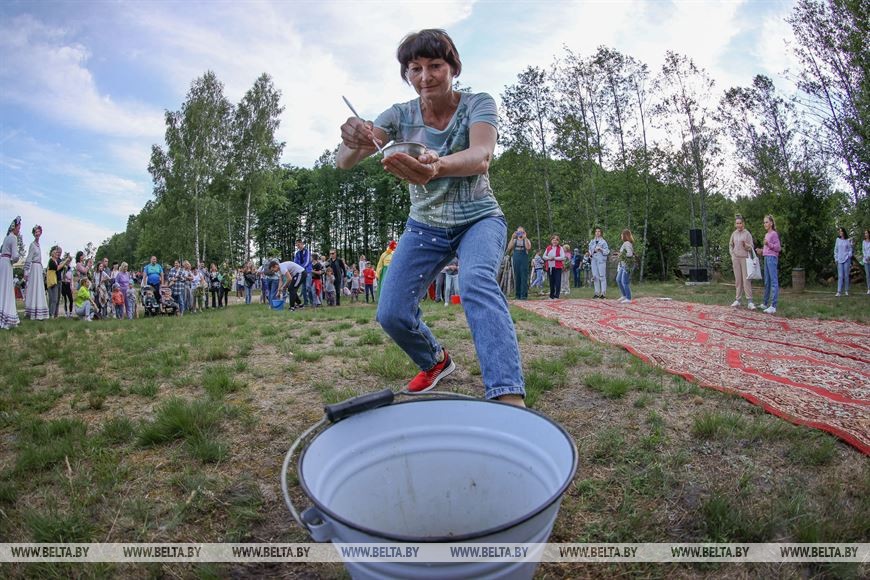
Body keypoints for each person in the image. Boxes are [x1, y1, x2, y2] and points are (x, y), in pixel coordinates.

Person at [336, 28, 525, 406]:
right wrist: (353, 140)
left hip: (479, 218)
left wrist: (436, 167)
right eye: (415, 68)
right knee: (390, 312)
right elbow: (343, 162)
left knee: (475, 283)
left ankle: (508, 395)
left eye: (435, 66)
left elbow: (481, 156)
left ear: (453, 67)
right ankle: (435, 360)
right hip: (425, 225)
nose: (425, 77)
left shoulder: (477, 104)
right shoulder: (399, 115)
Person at [729, 215, 756, 310]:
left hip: (745, 258)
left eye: (740, 223)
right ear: (735, 224)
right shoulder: (734, 234)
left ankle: (750, 301)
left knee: (746, 280)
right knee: (738, 280)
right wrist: (732, 255)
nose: (739, 225)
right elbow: (730, 245)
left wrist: (746, 245)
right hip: (736, 258)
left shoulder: (747, 234)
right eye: (737, 223)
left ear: (743, 223)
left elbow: (751, 246)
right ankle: (738, 300)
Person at [756, 215, 781, 314]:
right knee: (767, 282)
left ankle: (773, 306)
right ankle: (765, 303)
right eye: (764, 222)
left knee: (773, 281)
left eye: (766, 222)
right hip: (766, 257)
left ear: (771, 223)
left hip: (772, 259)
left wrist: (768, 244)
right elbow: (768, 249)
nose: (765, 224)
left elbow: (778, 248)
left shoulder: (774, 234)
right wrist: (761, 251)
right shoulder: (767, 234)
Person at [23, 225, 49, 320]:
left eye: (38, 231)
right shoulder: (32, 245)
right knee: (34, 288)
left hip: (38, 267)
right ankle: (32, 311)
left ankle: (39, 310)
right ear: (34, 234)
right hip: (34, 267)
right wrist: (26, 271)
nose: (37, 233)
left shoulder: (39, 245)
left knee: (39, 288)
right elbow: (29, 258)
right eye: (35, 232)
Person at [1, 217, 22, 330]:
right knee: (8, 290)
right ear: (15, 227)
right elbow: (14, 256)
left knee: (2, 289)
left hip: (2, 262)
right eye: (19, 227)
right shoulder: (13, 238)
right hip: (8, 263)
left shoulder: (6, 237)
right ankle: (8, 317)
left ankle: (2, 314)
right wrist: (17, 257)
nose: (19, 230)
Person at [507, 226, 531, 300]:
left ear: (524, 232)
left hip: (524, 259)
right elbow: (509, 248)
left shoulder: (527, 240)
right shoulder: (514, 240)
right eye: (518, 232)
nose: (520, 233)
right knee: (517, 276)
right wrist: (512, 238)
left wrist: (525, 238)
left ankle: (523, 295)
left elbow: (528, 248)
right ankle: (517, 295)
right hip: (516, 259)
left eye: (522, 232)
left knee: (524, 277)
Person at [46, 245, 70, 319]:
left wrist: (66, 263)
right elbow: (58, 268)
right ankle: (51, 314)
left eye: (59, 253)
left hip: (58, 281)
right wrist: (65, 261)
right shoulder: (52, 261)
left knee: (57, 299)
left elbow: (64, 267)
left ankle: (55, 315)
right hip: (53, 281)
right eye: (57, 253)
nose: (58, 254)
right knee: (53, 299)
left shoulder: (58, 261)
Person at [543, 235, 567, 299]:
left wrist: (555, 258)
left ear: (558, 241)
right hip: (550, 267)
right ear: (551, 241)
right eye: (553, 240)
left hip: (557, 267)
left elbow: (563, 257)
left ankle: (557, 295)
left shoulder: (560, 248)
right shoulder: (548, 248)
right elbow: (544, 256)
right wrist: (549, 258)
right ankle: (551, 295)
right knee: (551, 281)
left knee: (557, 281)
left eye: (556, 240)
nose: (555, 241)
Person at [588, 227, 609, 299]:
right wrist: (590, 254)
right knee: (595, 276)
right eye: (596, 231)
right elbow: (590, 250)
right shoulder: (592, 241)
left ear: (601, 233)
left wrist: (600, 249)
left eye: (599, 231)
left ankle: (603, 293)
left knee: (602, 276)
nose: (597, 233)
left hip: (601, 261)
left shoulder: (603, 242)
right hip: (594, 260)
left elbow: (607, 251)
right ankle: (596, 293)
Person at [616, 229, 635, 303]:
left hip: (627, 265)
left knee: (625, 281)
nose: (621, 236)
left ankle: (628, 298)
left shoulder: (627, 243)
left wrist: (621, 254)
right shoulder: (625, 243)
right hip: (623, 265)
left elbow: (630, 254)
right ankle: (624, 295)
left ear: (625, 235)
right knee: (618, 280)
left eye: (621, 235)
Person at [294, 240, 314, 307]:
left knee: (308, 286)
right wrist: (297, 269)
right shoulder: (297, 254)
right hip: (301, 272)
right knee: (303, 288)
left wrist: (301, 267)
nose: (298, 246)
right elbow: (295, 263)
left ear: (302, 244)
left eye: (299, 244)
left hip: (308, 271)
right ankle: (306, 303)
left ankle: (312, 302)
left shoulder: (307, 252)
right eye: (297, 245)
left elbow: (307, 261)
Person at [834, 227, 852, 297]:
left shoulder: (847, 240)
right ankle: (839, 291)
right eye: (839, 231)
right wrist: (836, 259)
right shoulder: (837, 240)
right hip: (839, 260)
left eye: (841, 231)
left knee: (846, 275)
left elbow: (850, 249)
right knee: (840, 276)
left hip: (846, 259)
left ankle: (846, 290)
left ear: (844, 232)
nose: (840, 232)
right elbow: (835, 250)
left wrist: (849, 255)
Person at [862, 229, 870, 295]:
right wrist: (866, 257)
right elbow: (863, 250)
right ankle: (869, 289)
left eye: (866, 233)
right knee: (867, 275)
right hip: (865, 261)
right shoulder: (863, 242)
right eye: (865, 233)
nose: (865, 234)